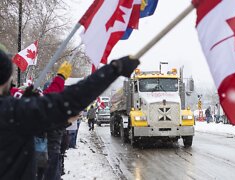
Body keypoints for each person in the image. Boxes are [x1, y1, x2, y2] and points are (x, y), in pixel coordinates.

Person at [0, 48, 140, 180]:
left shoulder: (14, 110)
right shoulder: (12, 111)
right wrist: (114, 69)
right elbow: (70, 99)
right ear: (6, 78)